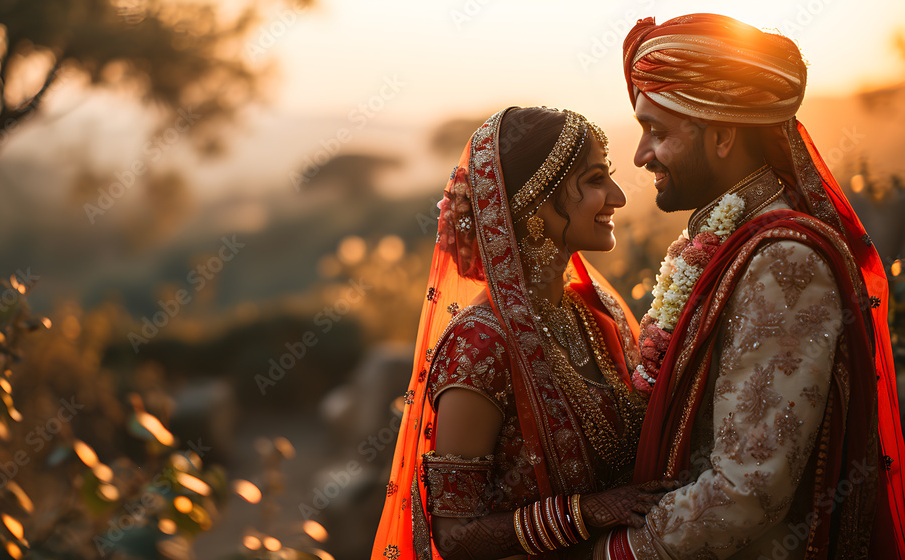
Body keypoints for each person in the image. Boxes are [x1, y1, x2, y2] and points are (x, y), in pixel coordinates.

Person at [597, 13, 905, 559]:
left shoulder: (784, 260)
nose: (642, 155)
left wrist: (606, 553)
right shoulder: (726, 242)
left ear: (721, 135)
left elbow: (748, 493)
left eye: (658, 132)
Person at [372, 106, 673, 560]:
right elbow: (454, 537)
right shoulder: (480, 346)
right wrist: (585, 513)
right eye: (594, 180)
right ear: (534, 203)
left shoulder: (598, 312)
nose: (617, 196)